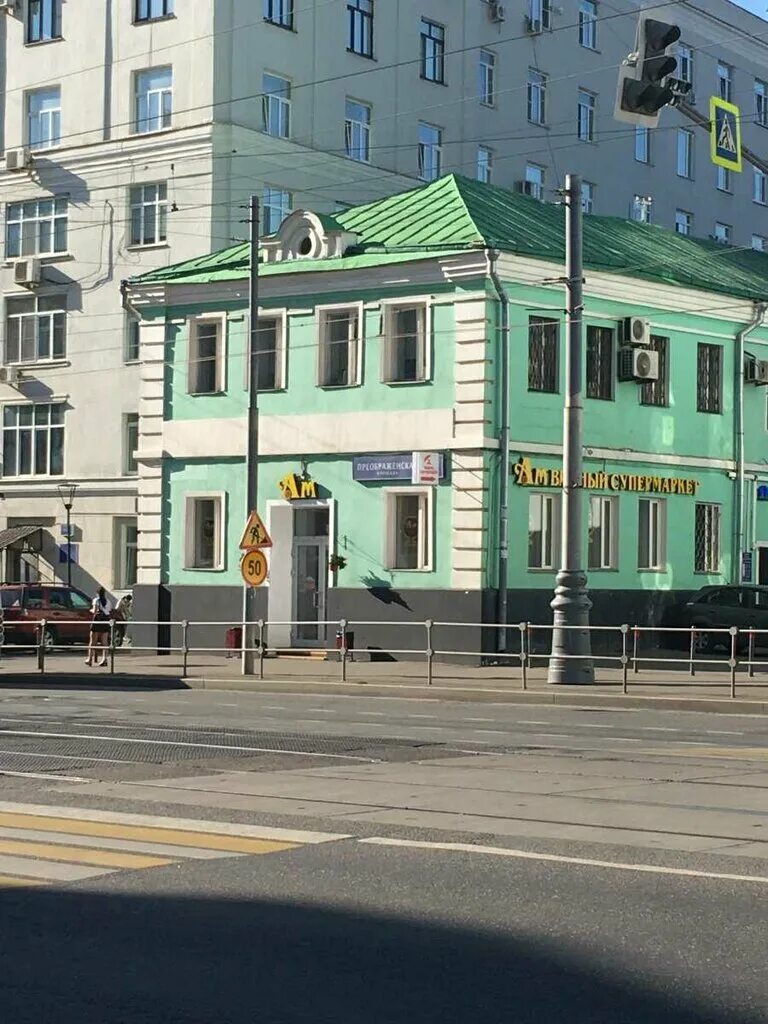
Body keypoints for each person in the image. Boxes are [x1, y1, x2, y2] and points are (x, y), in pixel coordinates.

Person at [86, 586, 112, 667]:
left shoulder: (96, 600)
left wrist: (90, 610)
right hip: (106, 620)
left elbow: (94, 611)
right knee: (104, 641)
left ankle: (89, 659)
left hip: (97, 620)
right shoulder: (108, 601)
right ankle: (104, 659)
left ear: (97, 593)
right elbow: (109, 611)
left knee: (93, 640)